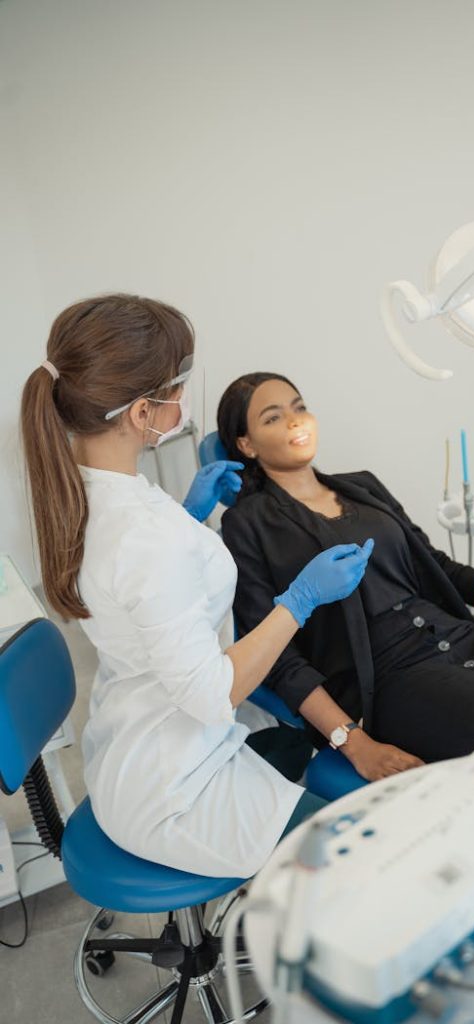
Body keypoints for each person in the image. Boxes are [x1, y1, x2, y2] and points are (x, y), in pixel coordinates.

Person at [20, 295, 374, 878]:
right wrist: (301, 599)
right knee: (354, 863)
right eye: (178, 386)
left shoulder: (85, 492)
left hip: (137, 741)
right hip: (175, 792)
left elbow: (136, 588)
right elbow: (212, 693)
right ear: (141, 412)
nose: (184, 400)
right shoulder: (146, 538)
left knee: (292, 749)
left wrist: (188, 513)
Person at [217, 372, 474, 782]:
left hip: (461, 635)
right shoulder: (246, 525)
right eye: (273, 417)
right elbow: (278, 657)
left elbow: (435, 565)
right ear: (246, 444)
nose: (295, 421)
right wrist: (355, 743)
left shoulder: (362, 487)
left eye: (299, 407)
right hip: (389, 681)